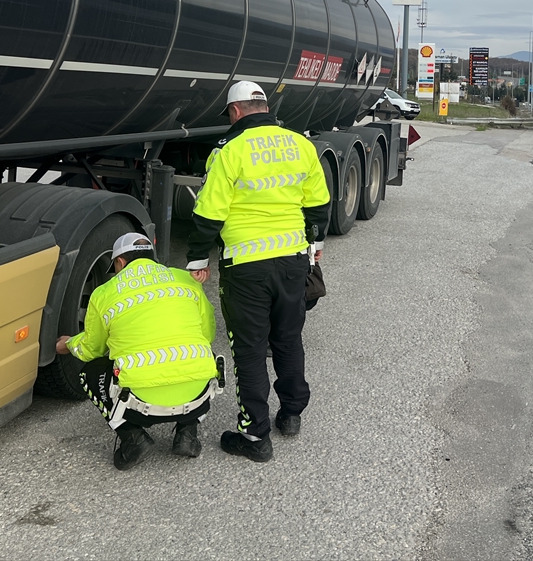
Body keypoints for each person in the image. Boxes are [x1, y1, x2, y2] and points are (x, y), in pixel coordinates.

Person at [186, 80, 331, 462]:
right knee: (287, 338)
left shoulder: (229, 150)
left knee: (249, 351)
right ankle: (291, 414)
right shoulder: (301, 144)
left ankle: (254, 436)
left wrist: (198, 259)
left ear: (234, 111)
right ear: (264, 107)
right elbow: (318, 203)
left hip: (246, 267)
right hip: (293, 261)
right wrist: (315, 247)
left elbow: (209, 211)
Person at [57, 232, 222, 470]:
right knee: (195, 356)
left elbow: (91, 350)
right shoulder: (186, 281)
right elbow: (207, 334)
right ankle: (187, 433)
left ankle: (133, 438)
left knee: (90, 372)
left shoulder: (105, 293)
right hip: (198, 397)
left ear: (120, 262)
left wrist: (68, 343)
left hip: (140, 405)